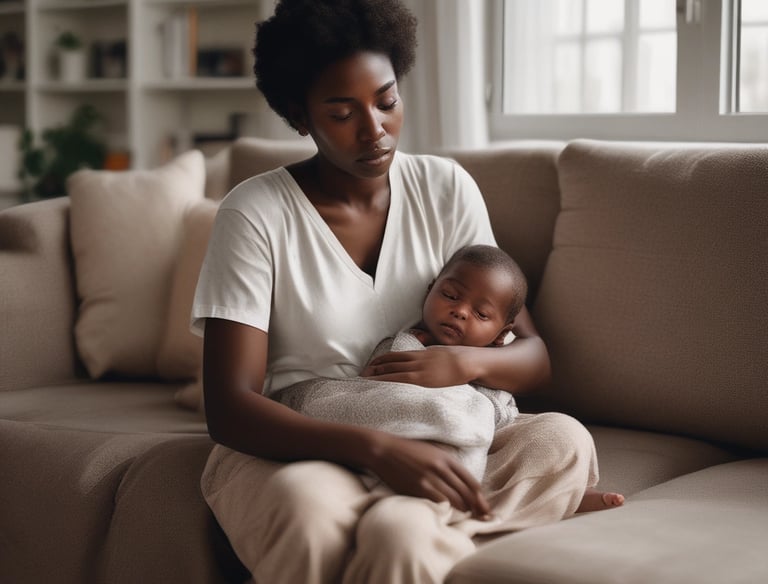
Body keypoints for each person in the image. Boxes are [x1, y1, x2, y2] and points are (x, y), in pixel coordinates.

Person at [191, 1, 604, 582]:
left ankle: (419, 528)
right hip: (311, 440)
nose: (374, 129)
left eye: (386, 101)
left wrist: (458, 363)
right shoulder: (255, 213)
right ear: (298, 115)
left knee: (563, 438)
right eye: (342, 113)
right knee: (308, 513)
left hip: (441, 426)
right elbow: (229, 409)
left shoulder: (446, 187)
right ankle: (437, 529)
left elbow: (533, 358)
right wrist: (379, 450)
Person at [273, 243, 624, 511]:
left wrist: (472, 382)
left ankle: (545, 498)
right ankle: (525, 502)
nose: (459, 311)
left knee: (564, 436)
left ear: (502, 335)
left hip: (479, 448)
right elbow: (379, 388)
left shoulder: (495, 363)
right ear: (429, 292)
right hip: (412, 445)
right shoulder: (407, 340)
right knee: (439, 431)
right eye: (450, 296)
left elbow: (502, 414)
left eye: (481, 314)